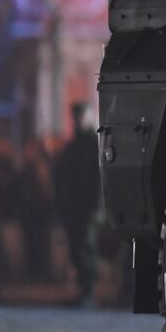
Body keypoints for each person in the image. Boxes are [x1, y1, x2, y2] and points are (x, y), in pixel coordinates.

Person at [52, 102, 101, 304]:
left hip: (87, 207)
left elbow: (98, 180)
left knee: (86, 247)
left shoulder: (93, 144)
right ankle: (84, 289)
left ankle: (88, 291)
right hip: (74, 207)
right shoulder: (74, 146)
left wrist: (96, 208)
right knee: (77, 247)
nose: (79, 121)